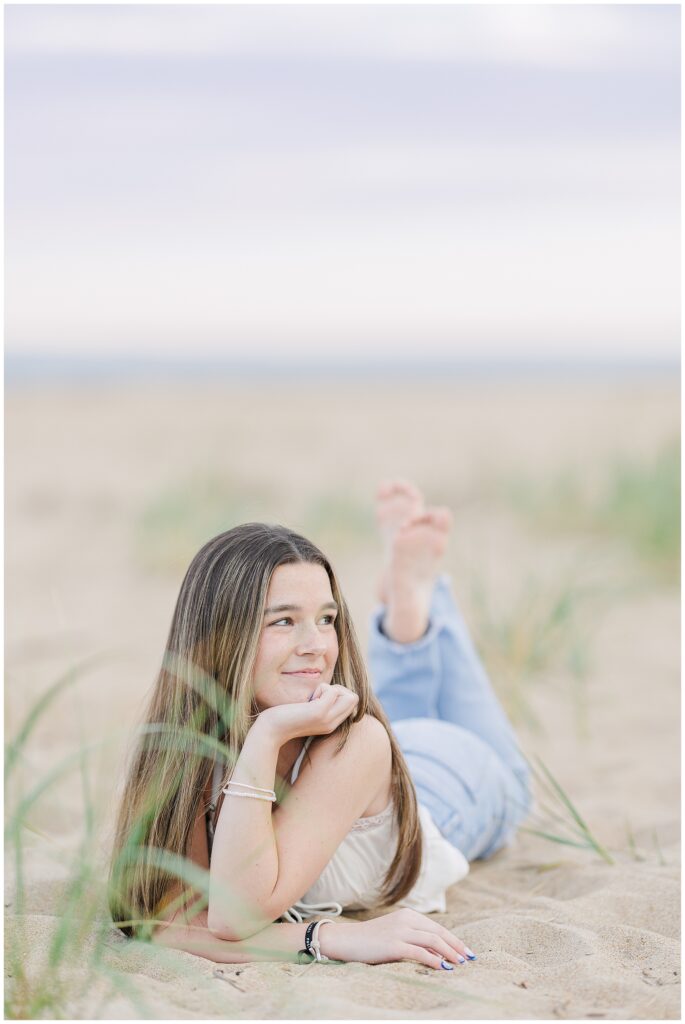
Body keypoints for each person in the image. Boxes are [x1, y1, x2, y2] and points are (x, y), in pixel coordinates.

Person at [109, 480, 531, 970]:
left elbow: (227, 923)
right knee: (393, 718)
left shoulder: (357, 742)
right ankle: (406, 609)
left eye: (327, 619)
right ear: (218, 634)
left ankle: (415, 603)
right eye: (284, 621)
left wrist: (265, 735)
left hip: (454, 785)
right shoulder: (177, 749)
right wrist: (323, 937)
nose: (318, 645)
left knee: (514, 782)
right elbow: (177, 925)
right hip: (373, 758)